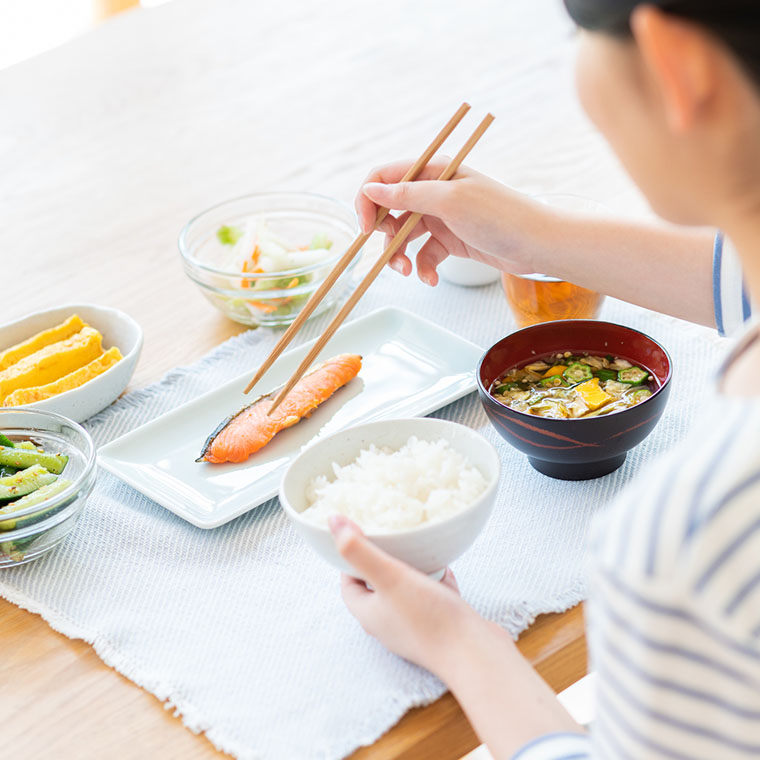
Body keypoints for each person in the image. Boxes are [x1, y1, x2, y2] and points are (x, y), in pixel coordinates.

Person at [328, 2, 760, 758]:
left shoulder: (692, 533)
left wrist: (462, 643)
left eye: (579, 35)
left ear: (678, 66)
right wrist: (536, 237)